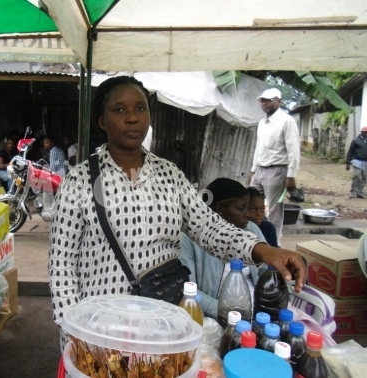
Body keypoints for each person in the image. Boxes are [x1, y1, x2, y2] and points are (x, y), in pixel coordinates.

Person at [48, 76, 307, 349]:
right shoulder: (79, 182)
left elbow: (210, 228)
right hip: (99, 328)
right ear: (102, 121)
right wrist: (73, 331)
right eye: (119, 110)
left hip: (160, 323)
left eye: (140, 108)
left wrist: (263, 250)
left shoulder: (169, 175)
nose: (132, 118)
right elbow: (62, 266)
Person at [180, 178, 268, 318]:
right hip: (215, 316)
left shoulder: (251, 230)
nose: (248, 214)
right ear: (220, 209)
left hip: (256, 313)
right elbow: (188, 289)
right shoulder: (189, 239)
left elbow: (265, 271)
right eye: (241, 208)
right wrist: (226, 313)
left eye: (247, 208)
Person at [250, 88, 300, 247]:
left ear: (279, 101)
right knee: (251, 205)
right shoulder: (261, 123)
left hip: (277, 170)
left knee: (274, 212)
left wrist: (291, 176)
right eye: (262, 100)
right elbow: (258, 148)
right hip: (260, 170)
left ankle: (274, 245)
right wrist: (253, 169)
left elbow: (294, 150)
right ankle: (253, 240)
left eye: (268, 100)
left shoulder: (287, 121)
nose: (264, 103)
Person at [345, 125, 367, 199]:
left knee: (364, 177)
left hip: (365, 161)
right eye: (365, 132)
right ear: (362, 132)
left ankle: (360, 192)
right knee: (357, 175)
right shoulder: (355, 141)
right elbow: (350, 151)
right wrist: (348, 163)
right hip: (357, 160)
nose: (366, 134)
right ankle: (353, 191)